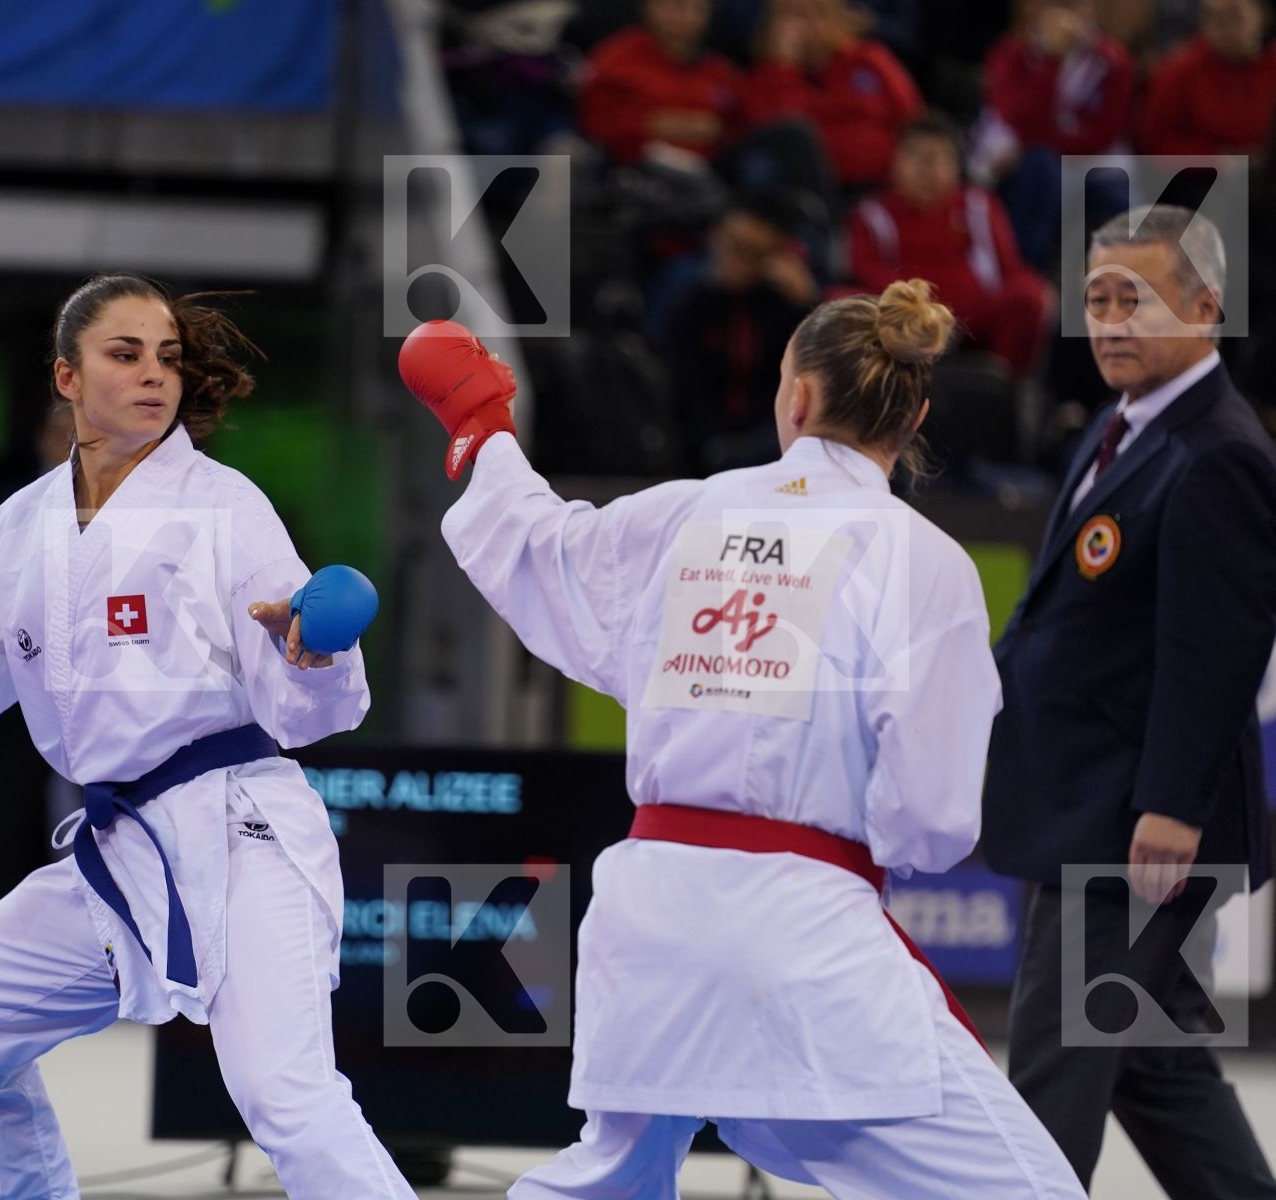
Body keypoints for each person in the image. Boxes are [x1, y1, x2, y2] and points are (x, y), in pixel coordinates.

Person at [399, 286, 1087, 1198]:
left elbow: (537, 547)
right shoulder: (923, 561)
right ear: (916, 412)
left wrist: (483, 428)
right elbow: (929, 818)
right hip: (804, 945)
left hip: (647, 927)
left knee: (611, 1181)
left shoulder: (685, 515)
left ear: (794, 397)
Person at [0, 274, 415, 1200]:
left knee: (286, 1097)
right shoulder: (21, 525)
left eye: (167, 356)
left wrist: (310, 647)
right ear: (67, 377)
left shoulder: (222, 503)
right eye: (124, 355)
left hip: (241, 831)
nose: (154, 375)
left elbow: (301, 704)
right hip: (119, 850)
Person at [981, 206, 1276, 1197]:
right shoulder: (1123, 425)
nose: (1108, 322)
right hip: (1098, 808)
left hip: (1128, 834)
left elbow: (1218, 650)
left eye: (1133, 301)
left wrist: (1169, 808)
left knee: (1048, 1087)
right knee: (1153, 1064)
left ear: (1204, 307)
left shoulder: (1215, 452)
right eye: (1096, 300)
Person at [847, 113, 1052, 380]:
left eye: (937, 158)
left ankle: (1003, 391)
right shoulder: (873, 216)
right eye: (916, 157)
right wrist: (921, 314)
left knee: (1031, 294)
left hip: (976, 319)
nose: (926, 169)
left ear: (956, 167)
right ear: (894, 164)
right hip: (908, 322)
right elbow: (870, 275)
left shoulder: (979, 206)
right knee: (843, 302)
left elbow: (1008, 269)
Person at [655, 199, 819, 473]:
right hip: (697, 444)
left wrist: (808, 305)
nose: (740, 262)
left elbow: (812, 381)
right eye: (734, 247)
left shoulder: (785, 308)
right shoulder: (689, 301)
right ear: (716, 239)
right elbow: (680, 385)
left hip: (768, 445)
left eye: (755, 253)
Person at [973, 0, 1134, 268]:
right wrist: (1052, 60)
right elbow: (1017, 116)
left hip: (1090, 164)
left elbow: (1106, 131)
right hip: (1024, 163)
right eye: (1058, 6)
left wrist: (1056, 146)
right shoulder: (1012, 55)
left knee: (1130, 209)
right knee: (1042, 171)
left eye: (1074, 6)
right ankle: (1024, 273)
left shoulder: (1113, 60)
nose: (1065, 17)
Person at [743, 0, 924, 193]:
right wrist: (782, 67)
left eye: (819, 13)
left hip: (882, 189)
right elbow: (774, 131)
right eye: (793, 15)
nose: (809, 25)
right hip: (806, 195)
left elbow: (913, 118)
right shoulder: (764, 76)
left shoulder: (870, 60)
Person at [578, 0, 752, 167]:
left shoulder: (720, 71)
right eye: (677, 5)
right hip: (632, 175)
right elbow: (594, 124)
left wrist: (718, 130)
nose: (688, 16)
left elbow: (745, 128)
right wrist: (647, 126)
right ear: (650, 6)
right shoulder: (614, 61)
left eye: (698, 7)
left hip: (711, 177)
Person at [1136, 0, 1276, 157]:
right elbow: (1153, 140)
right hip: (1200, 174)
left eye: (1234, 15)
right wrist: (1213, 158)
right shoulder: (1178, 70)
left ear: (1262, 17)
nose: (1224, 28)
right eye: (1212, 17)